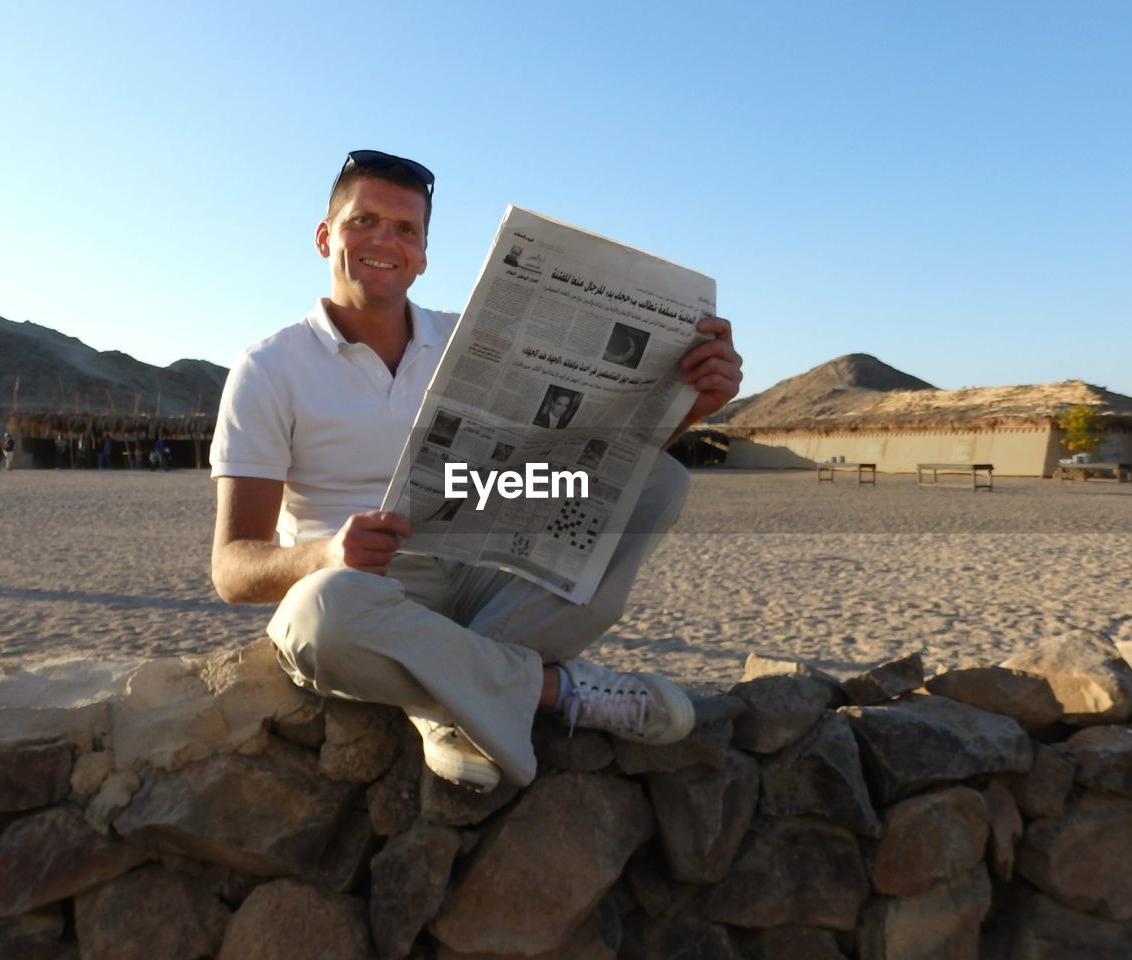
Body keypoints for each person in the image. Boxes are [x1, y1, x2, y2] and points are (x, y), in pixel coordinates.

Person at [210, 150, 742, 793]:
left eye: (406, 230)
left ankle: (443, 692)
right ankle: (554, 690)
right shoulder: (269, 367)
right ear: (326, 236)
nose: (384, 240)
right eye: (363, 220)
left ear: (424, 254)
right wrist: (324, 553)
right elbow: (233, 568)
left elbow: (587, 463)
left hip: (493, 572)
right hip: (369, 591)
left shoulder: (467, 337)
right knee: (314, 622)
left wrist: (692, 406)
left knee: (660, 480)